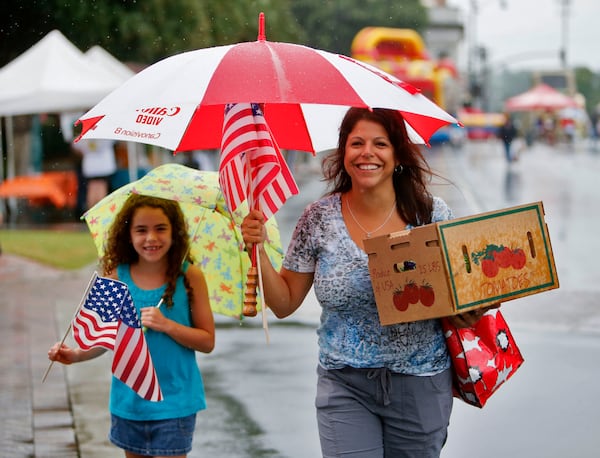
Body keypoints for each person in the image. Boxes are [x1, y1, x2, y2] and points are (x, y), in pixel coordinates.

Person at [241, 107, 496, 458]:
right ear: (343, 152)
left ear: (397, 155)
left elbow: (459, 294)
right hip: (344, 384)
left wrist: (467, 311)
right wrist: (258, 252)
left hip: (420, 385)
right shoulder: (317, 218)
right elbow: (284, 304)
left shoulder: (431, 215)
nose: (367, 153)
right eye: (356, 143)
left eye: (380, 143)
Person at [48, 194, 215, 458]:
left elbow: (207, 341)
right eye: (141, 230)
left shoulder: (189, 276)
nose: (151, 238)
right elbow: (106, 338)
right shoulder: (115, 278)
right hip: (129, 402)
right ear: (128, 234)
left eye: (161, 228)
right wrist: (77, 354)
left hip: (175, 403)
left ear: (175, 231)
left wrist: (167, 325)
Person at [72, 138, 118, 210]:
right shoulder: (106, 134)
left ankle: (91, 215)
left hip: (90, 166)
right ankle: (99, 213)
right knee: (101, 187)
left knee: (92, 188)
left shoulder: (85, 135)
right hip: (104, 166)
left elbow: (76, 147)